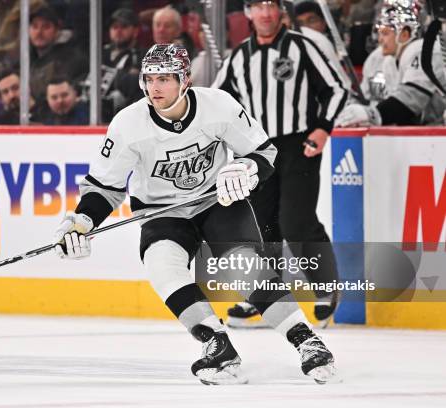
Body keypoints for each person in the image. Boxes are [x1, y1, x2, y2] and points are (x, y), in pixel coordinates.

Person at [52, 43, 337, 385]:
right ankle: (216, 344)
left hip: (217, 202)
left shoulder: (218, 106)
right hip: (162, 213)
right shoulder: (128, 124)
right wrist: (81, 221)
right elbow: (104, 187)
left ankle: (307, 341)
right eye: (149, 78)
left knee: (244, 270)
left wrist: (246, 169)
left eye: (164, 78)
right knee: (163, 266)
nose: (154, 87)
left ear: (184, 80)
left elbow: (264, 152)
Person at [213, 0, 348, 327]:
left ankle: (325, 288)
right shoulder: (238, 57)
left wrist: (322, 128)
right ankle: (266, 300)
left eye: (271, 5)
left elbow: (336, 88)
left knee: (296, 221)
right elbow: (215, 102)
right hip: (256, 152)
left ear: (280, 11)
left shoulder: (303, 47)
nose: (265, 13)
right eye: (257, 6)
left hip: (297, 145)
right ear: (247, 13)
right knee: (261, 228)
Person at [336, 0, 446, 126]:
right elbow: (385, 102)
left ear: (404, 34)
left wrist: (373, 114)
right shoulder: (386, 60)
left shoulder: (425, 50)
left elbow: (411, 99)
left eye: (385, 33)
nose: (380, 39)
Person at [101, 8, 145, 121]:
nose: (118, 31)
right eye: (115, 27)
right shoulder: (100, 54)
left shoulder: (143, 56)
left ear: (136, 31)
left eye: (124, 27)